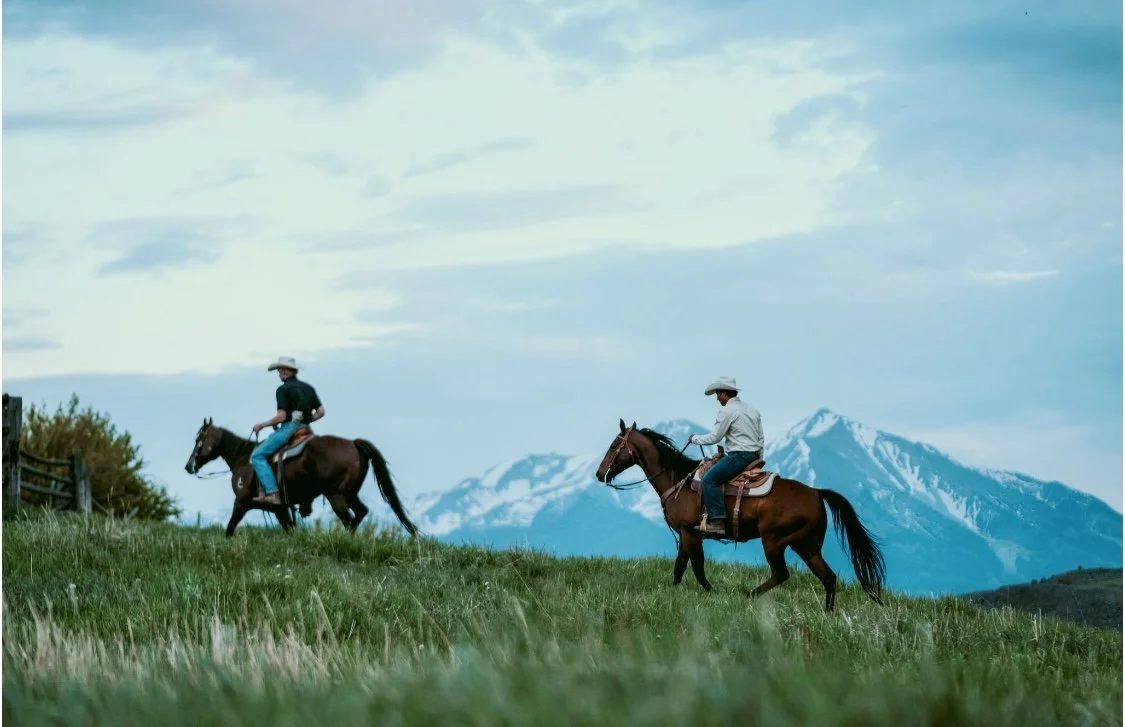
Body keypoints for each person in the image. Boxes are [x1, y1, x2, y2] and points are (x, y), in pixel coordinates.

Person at [688, 376, 764, 535]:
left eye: (717, 394)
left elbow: (715, 438)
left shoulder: (727, 411)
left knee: (709, 479)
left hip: (738, 456)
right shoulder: (753, 410)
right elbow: (760, 438)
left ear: (724, 393)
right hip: (753, 455)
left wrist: (694, 439)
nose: (717, 398)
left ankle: (717, 521)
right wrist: (759, 459)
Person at [250, 356, 325, 506]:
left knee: (257, 455)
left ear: (291, 371)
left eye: (284, 369)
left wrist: (262, 425)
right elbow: (321, 411)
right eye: (280, 370)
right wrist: (307, 420)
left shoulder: (282, 389)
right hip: (306, 429)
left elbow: (281, 416)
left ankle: (272, 493)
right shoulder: (308, 388)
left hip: (289, 428)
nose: (281, 372)